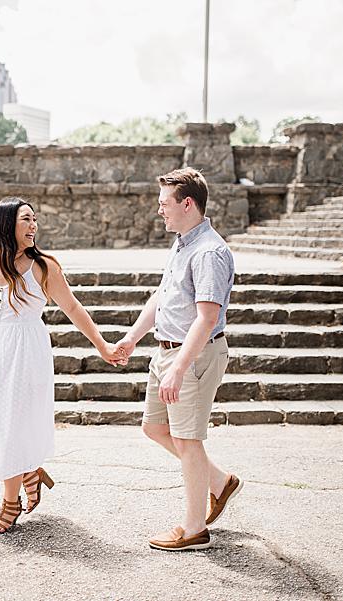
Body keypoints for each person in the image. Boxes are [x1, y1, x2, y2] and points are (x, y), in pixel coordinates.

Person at [0, 196, 124, 535]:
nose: (34, 226)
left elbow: (73, 308)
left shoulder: (44, 266)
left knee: (6, 423)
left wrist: (102, 347)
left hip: (26, 350)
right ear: (6, 223)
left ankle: (10, 504)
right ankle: (28, 470)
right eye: (27, 219)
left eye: (35, 220)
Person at [115, 168, 241, 551]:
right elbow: (162, 296)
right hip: (165, 351)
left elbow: (205, 318)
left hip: (193, 356)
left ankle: (194, 530)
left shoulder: (210, 252)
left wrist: (180, 368)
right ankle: (218, 481)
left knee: (187, 440)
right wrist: (132, 338)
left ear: (188, 204)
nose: (159, 211)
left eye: (164, 204)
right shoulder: (184, 242)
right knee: (155, 428)